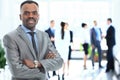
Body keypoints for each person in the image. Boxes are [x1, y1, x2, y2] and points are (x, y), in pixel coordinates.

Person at [3, 1, 63, 80]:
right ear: (20, 16)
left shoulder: (44, 36)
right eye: (26, 13)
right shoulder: (10, 37)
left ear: (38, 16)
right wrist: (44, 70)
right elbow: (16, 71)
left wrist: (37, 64)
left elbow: (59, 62)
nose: (31, 16)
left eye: (34, 13)